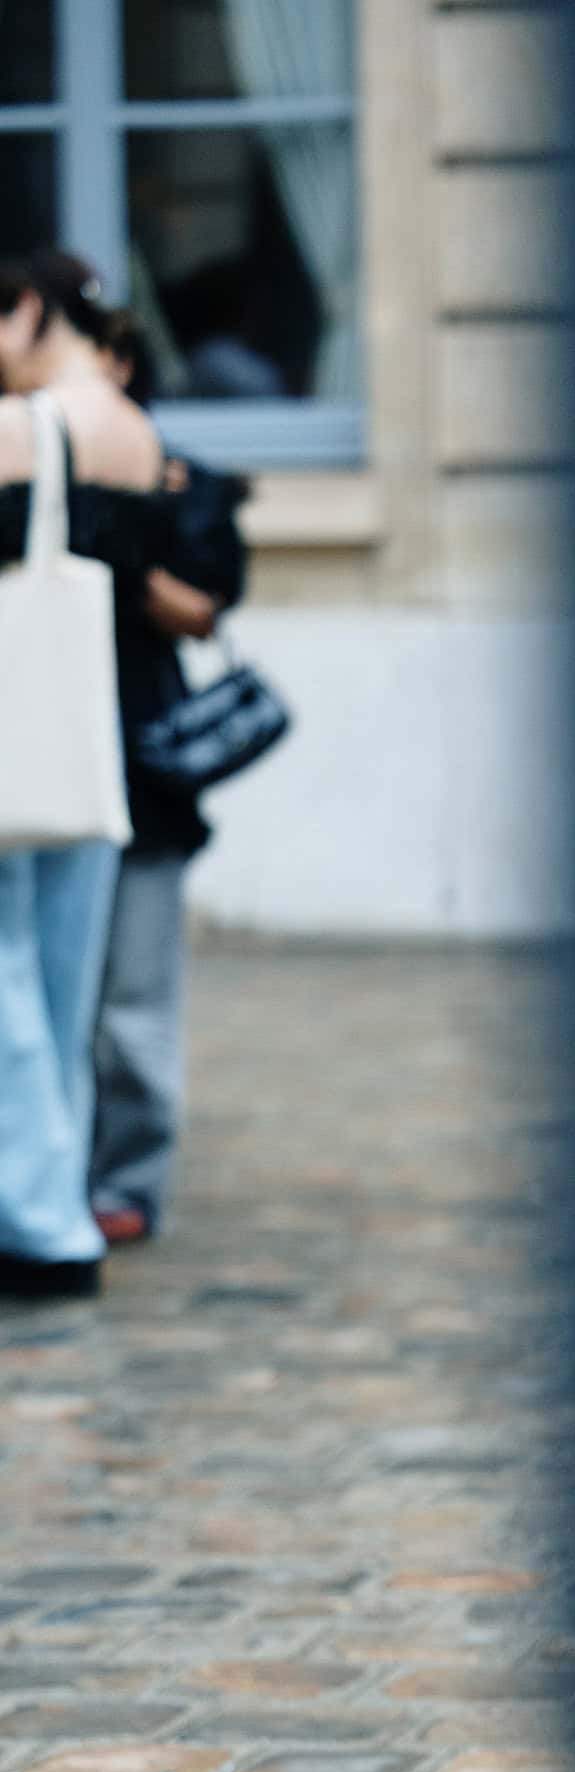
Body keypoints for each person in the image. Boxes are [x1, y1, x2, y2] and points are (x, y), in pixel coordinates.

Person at [0, 250, 165, 1299]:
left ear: (28, 311)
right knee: (62, 993)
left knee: (9, 983)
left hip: (14, 734)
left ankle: (42, 1223)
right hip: (90, 738)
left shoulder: (23, 426)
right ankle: (51, 1200)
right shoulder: (133, 428)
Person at [90, 308, 251, 1246]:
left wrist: (122, 542)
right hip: (40, 759)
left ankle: (125, 1182)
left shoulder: (179, 478)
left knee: (133, 1001)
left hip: (140, 765)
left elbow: (204, 608)